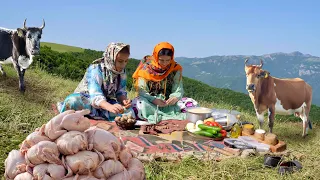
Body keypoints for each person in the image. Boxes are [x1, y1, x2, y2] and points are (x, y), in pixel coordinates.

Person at [57, 42, 132, 121]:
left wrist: (124, 100)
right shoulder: (96, 69)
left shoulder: (121, 72)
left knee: (129, 111)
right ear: (111, 58)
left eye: (126, 61)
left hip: (105, 102)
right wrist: (109, 107)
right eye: (120, 61)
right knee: (72, 101)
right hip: (87, 99)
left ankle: (94, 114)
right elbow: (95, 94)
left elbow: (120, 91)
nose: (123, 65)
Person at [131, 42, 198, 124]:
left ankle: (159, 117)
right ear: (156, 57)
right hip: (151, 103)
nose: (165, 63)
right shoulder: (146, 68)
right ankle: (168, 117)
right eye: (161, 60)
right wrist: (154, 100)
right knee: (137, 103)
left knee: (191, 103)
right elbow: (142, 91)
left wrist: (175, 97)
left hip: (169, 104)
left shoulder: (175, 68)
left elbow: (178, 89)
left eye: (168, 60)